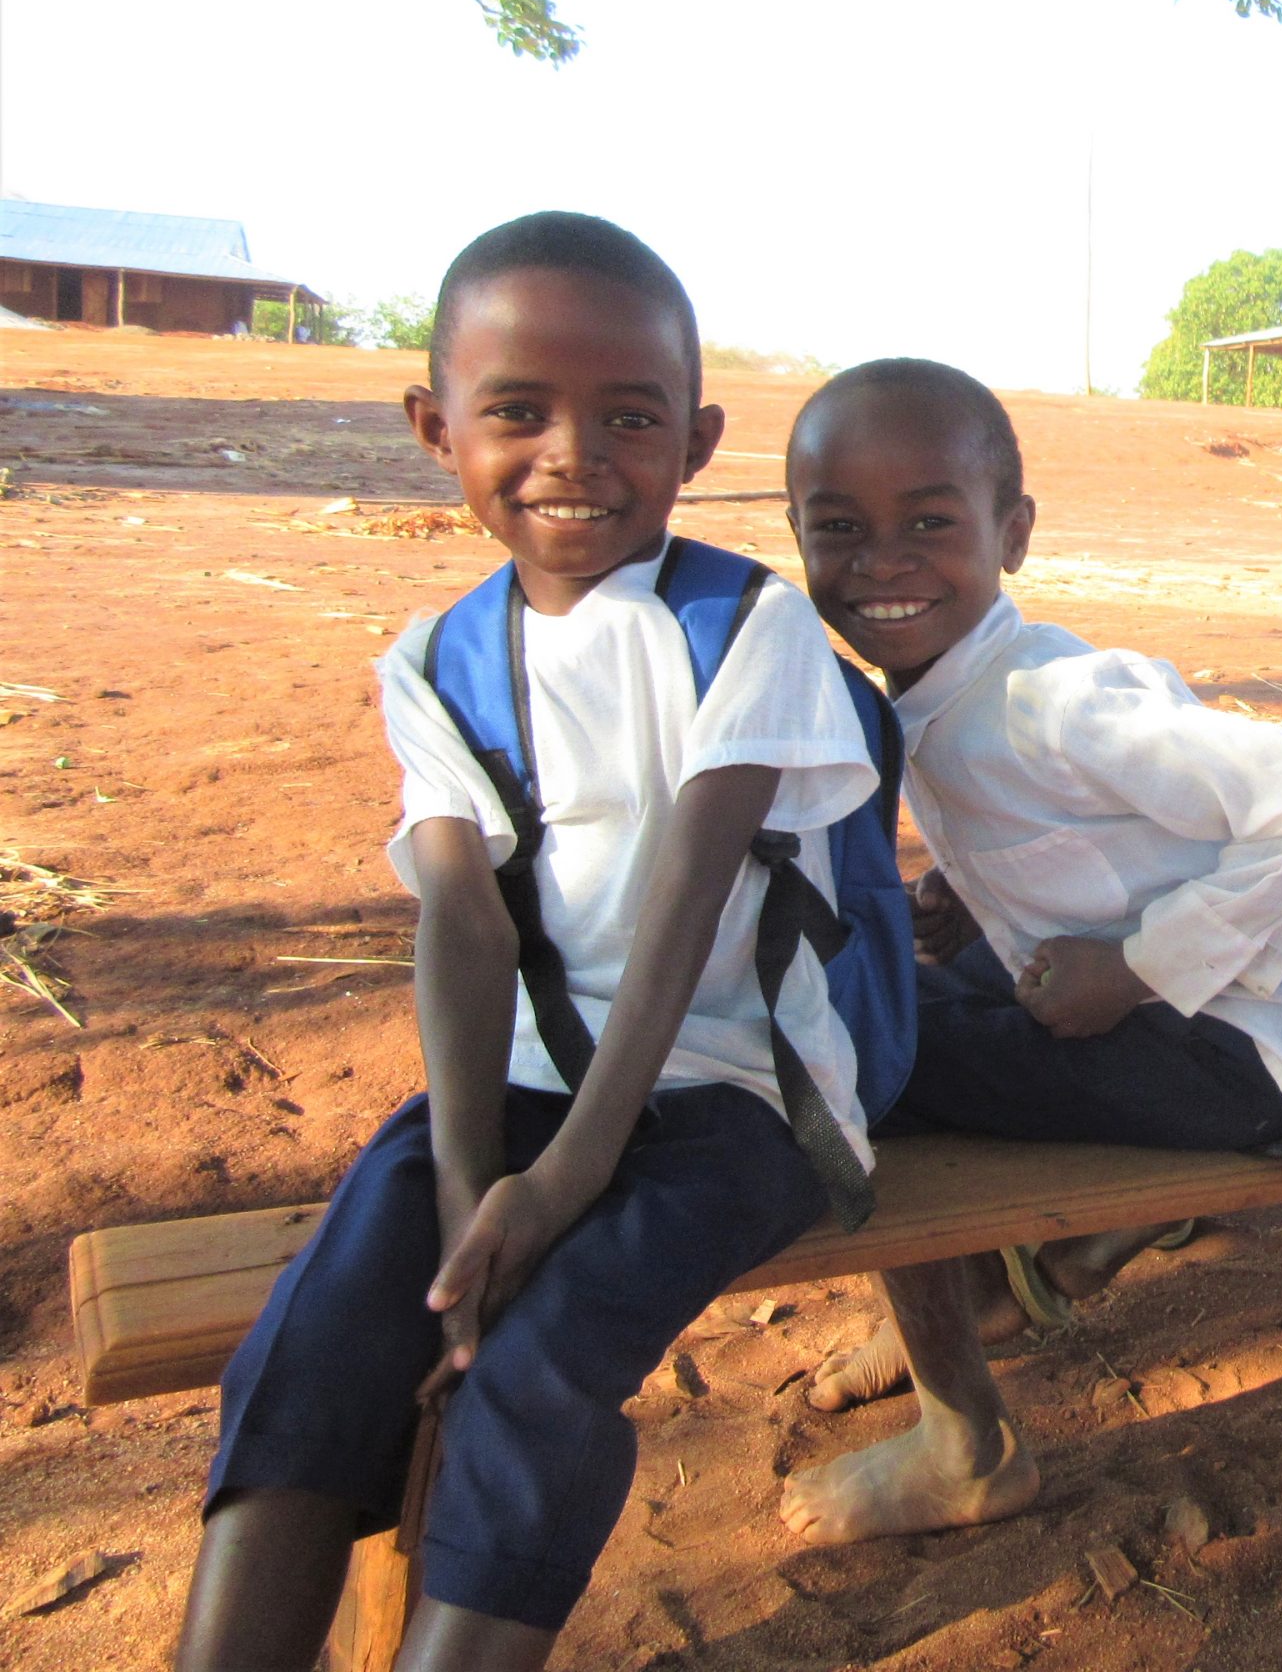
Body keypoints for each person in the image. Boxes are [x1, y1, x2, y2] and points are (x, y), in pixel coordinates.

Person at [176, 212, 898, 1672]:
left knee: (539, 1368)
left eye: (629, 417)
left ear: (696, 441)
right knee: (325, 1339)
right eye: (517, 411)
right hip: (516, 1087)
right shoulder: (435, 663)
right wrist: (468, 1192)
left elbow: (690, 897)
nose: (574, 455)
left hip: (740, 1094)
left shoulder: (742, 625)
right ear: (433, 426)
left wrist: (560, 1183)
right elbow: (461, 919)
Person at [775, 358, 1282, 1543]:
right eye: (840, 528)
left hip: (1253, 1042)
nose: (883, 562)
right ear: (795, 533)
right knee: (888, 989)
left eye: (929, 523)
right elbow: (1090, 840)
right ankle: (963, 1293)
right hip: (1170, 1000)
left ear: (1012, 533)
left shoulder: (1050, 700)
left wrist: (1138, 967)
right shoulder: (941, 690)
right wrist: (970, 896)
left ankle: (964, 1438)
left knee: (849, 1042)